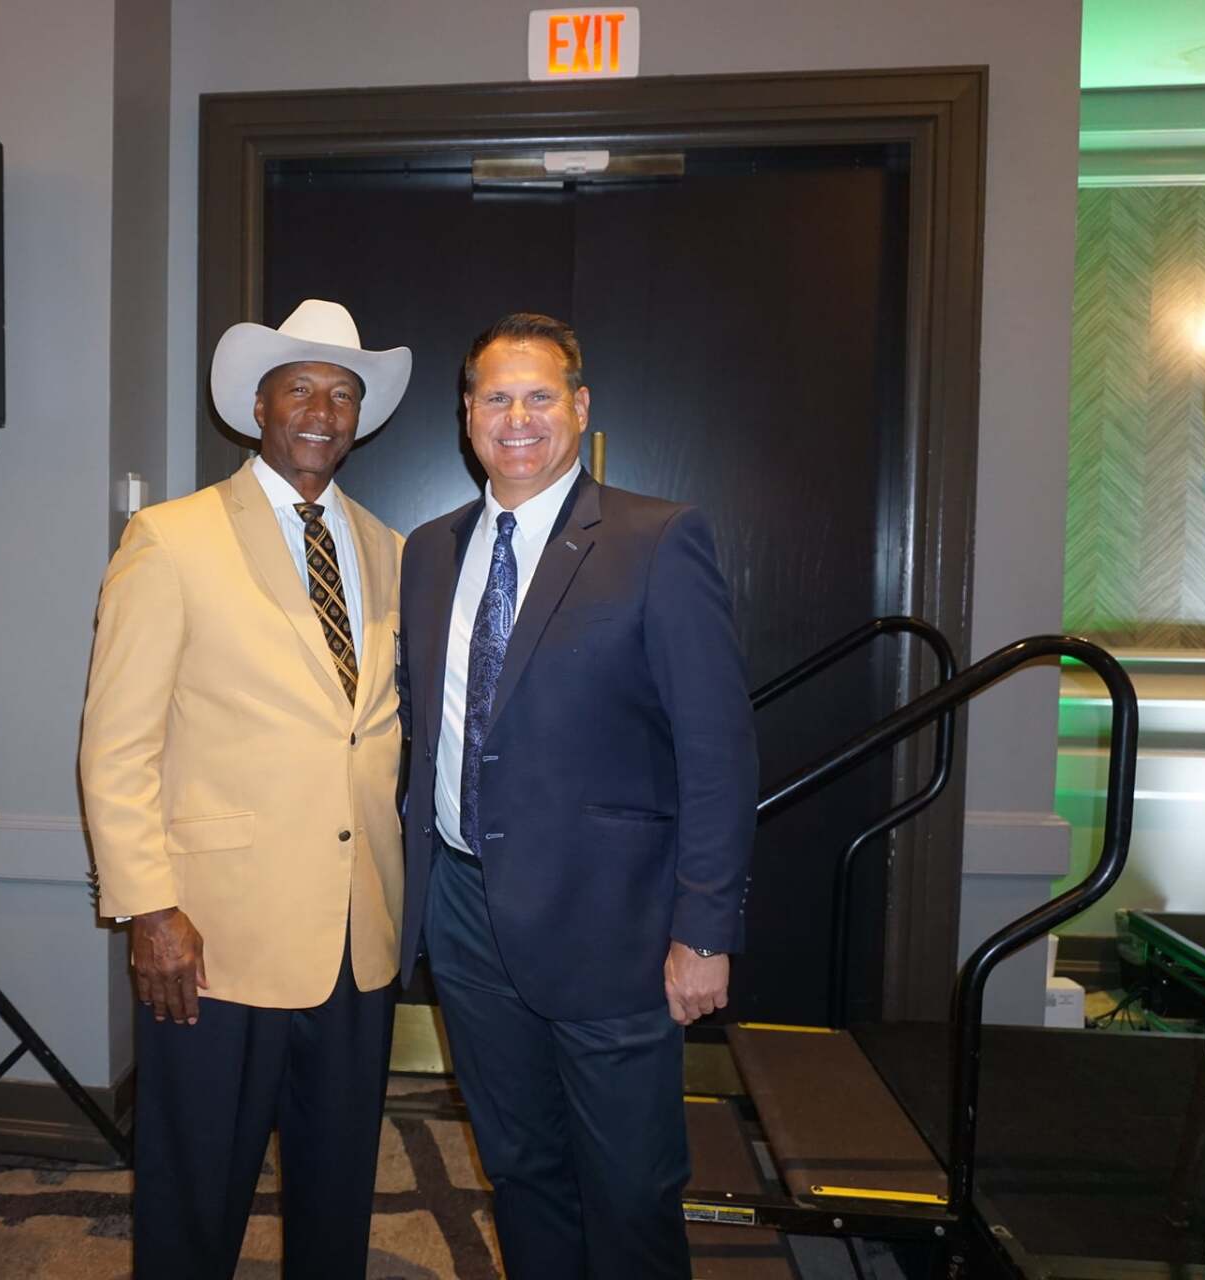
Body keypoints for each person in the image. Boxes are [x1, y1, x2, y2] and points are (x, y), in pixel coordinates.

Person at [396, 312, 759, 1278]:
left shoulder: (657, 538)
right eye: (496, 398)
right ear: (467, 413)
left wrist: (706, 927)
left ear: (581, 407)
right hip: (465, 915)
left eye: (539, 396)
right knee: (519, 1167)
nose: (518, 418)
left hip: (616, 925)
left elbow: (717, 750)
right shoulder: (429, 552)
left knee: (631, 1186)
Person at [81, 299, 412, 1279]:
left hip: (358, 934)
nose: (322, 408)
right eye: (300, 387)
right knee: (194, 1196)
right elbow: (117, 743)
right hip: (212, 939)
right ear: (259, 406)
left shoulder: (388, 548)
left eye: (342, 392)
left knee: (338, 1190)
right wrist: (151, 907)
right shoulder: (170, 538)